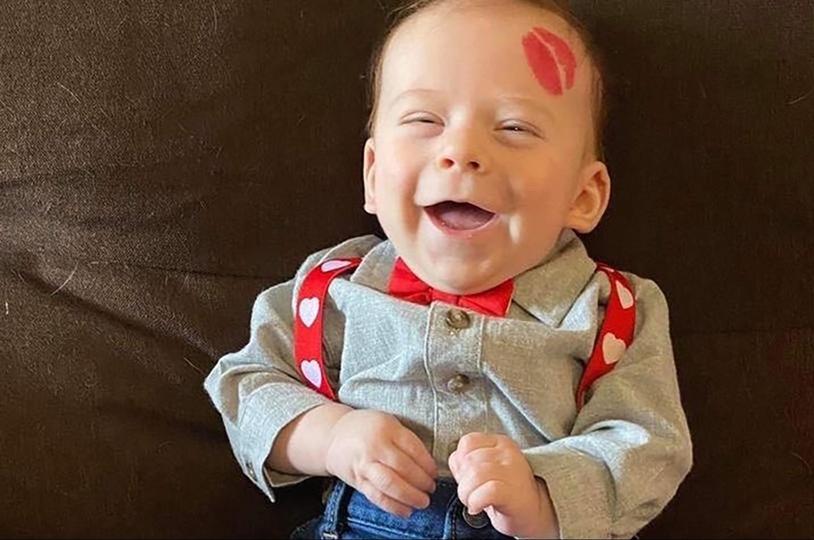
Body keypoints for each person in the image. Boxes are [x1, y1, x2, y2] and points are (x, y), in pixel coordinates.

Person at [203, 0, 693, 538]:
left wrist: (541, 496)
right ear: (373, 176)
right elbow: (246, 388)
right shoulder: (334, 286)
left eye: (514, 127)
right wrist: (332, 437)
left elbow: (648, 444)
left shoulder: (613, 311)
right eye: (425, 120)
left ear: (583, 195)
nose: (461, 150)